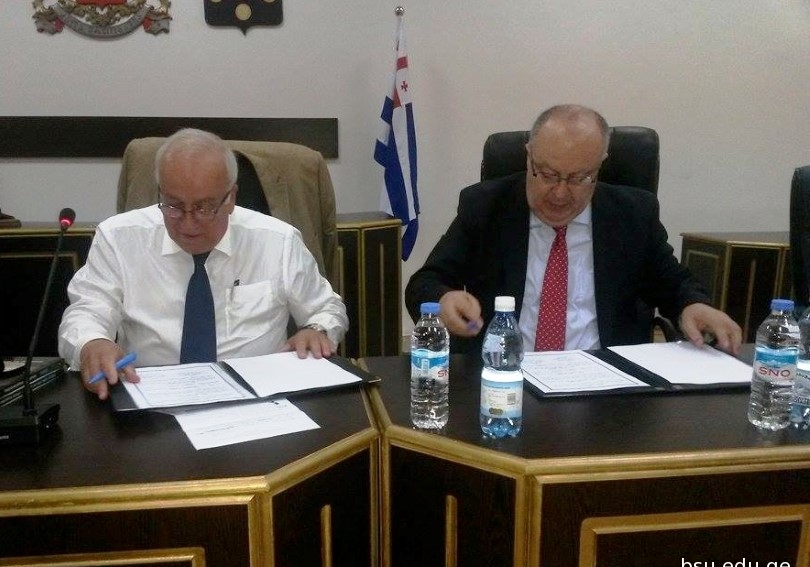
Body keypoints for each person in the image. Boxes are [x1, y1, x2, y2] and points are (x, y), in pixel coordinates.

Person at [405, 104, 742, 356]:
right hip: (505, 375)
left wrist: (692, 305)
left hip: (606, 381)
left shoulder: (633, 214)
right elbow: (425, 282)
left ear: (600, 164)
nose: (560, 193)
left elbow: (673, 283)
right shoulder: (486, 206)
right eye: (548, 174)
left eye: (580, 177)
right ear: (528, 156)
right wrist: (444, 299)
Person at [59, 128, 349, 399]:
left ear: (231, 198)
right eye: (173, 205)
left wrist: (317, 330)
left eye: (204, 207)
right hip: (151, 399)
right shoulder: (118, 238)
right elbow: (87, 311)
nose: (188, 223)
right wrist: (92, 342)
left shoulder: (277, 241)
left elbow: (326, 307)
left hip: (257, 401)